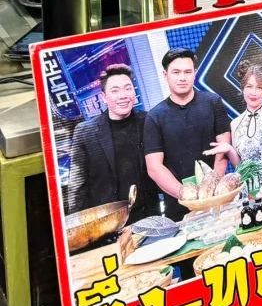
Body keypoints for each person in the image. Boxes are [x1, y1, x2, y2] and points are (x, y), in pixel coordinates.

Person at [144, 48, 231, 220]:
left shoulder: (213, 102)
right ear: (165, 75)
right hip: (178, 207)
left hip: (217, 200)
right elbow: (154, 167)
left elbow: (222, 151)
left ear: (195, 73)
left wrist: (210, 194)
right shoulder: (154, 117)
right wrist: (189, 197)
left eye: (188, 72)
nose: (182, 77)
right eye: (176, 72)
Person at [67, 64, 154, 220]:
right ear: (104, 97)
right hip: (107, 222)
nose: (123, 95)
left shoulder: (148, 121)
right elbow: (77, 187)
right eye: (115, 91)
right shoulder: (85, 132)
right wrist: (77, 225)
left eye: (128, 88)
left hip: (148, 217)